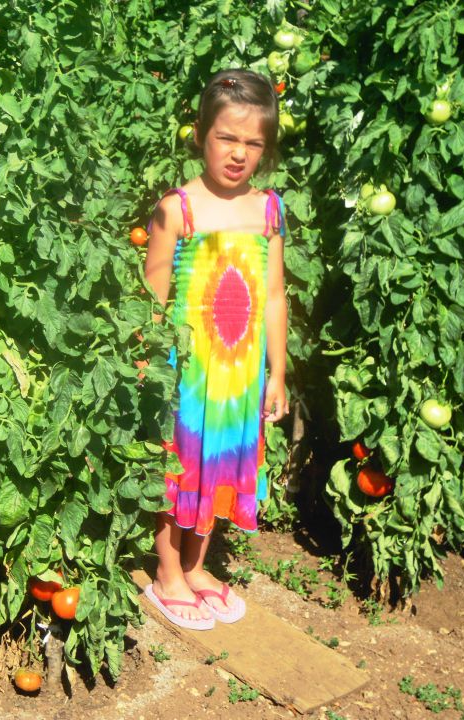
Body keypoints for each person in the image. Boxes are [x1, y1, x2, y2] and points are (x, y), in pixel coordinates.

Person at [142, 69, 289, 630]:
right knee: (177, 460)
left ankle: (199, 565)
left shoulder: (269, 210)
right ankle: (168, 570)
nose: (238, 154)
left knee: (224, 459)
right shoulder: (179, 208)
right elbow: (153, 298)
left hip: (241, 367)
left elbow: (274, 295)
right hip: (190, 368)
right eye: (227, 138)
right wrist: (148, 363)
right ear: (201, 132)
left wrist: (276, 373)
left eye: (253, 144)